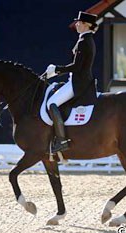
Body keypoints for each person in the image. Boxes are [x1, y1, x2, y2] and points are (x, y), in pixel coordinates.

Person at [45, 11, 98, 153]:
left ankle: (62, 140)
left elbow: (77, 67)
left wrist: (56, 70)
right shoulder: (86, 39)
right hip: (78, 80)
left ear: (86, 25)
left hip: (78, 83)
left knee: (51, 103)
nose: (77, 24)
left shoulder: (84, 41)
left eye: (79, 23)